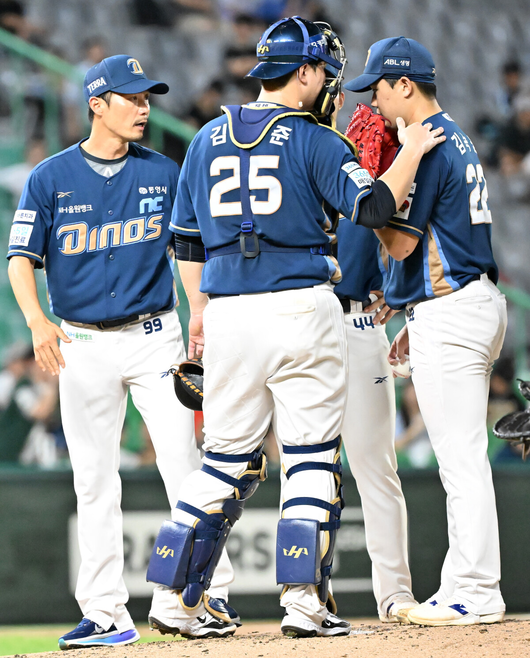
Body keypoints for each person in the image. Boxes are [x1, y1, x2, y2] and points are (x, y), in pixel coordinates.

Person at [145, 16, 444, 639]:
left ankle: (171, 601)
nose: (331, 86)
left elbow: (186, 240)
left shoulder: (205, 138)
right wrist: (413, 148)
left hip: (227, 312)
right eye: (326, 73)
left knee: (221, 463)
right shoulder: (316, 139)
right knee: (309, 458)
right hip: (300, 307)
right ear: (303, 72)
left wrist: (197, 311)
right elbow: (373, 208)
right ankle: (304, 605)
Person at [7, 54, 235, 650]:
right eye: (131, 98)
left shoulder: (164, 171)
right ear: (96, 105)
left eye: (147, 98)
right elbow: (20, 258)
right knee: (93, 482)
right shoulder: (50, 177)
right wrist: (36, 320)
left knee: (184, 466)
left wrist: (199, 310)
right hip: (80, 342)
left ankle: (206, 594)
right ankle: (106, 612)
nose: (143, 107)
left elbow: (192, 248)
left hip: (155, 336)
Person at [345, 36, 508, 626]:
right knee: (462, 457)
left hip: (453, 307)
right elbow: (439, 239)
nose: (374, 101)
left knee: (459, 459)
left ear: (405, 84)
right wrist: (411, 305)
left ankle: (475, 590)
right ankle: (465, 585)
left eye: (379, 88)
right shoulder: (455, 136)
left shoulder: (427, 145)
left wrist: (373, 191)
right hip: (464, 300)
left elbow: (398, 242)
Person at [332, 92, 418, 623]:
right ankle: (306, 593)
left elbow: (412, 239)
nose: (366, 127)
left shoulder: (394, 170)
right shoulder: (307, 155)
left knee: (377, 468)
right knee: (305, 469)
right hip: (306, 321)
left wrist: (396, 286)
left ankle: (395, 594)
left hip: (361, 320)